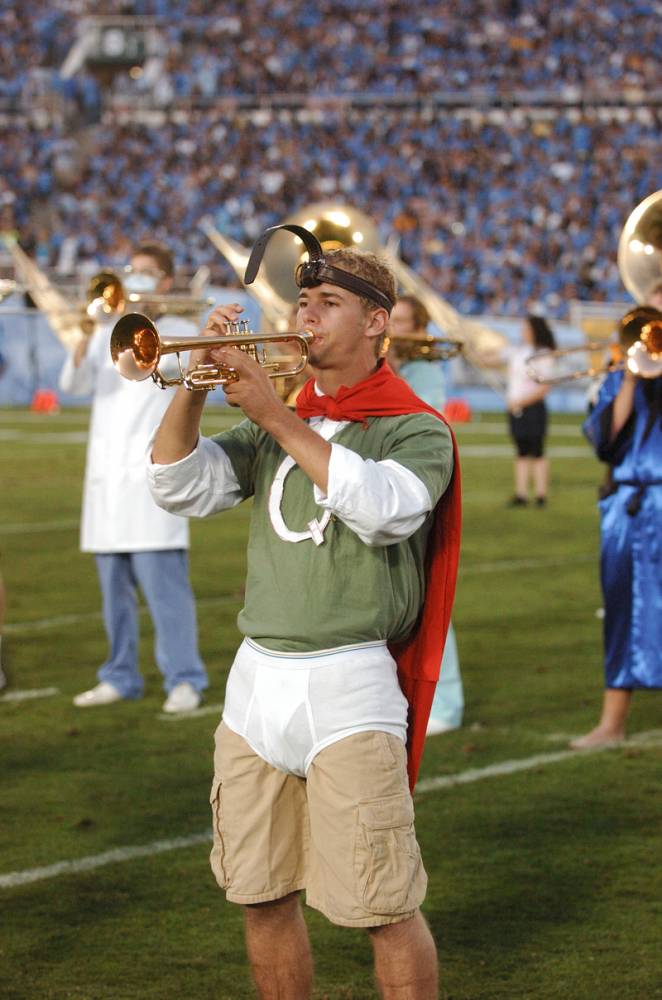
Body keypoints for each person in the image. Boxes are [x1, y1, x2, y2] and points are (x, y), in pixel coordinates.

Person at [147, 226, 461, 999]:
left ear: (377, 321)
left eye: (327, 303)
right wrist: (193, 381)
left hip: (349, 691)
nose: (305, 318)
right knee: (259, 896)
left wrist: (274, 411)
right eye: (301, 301)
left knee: (385, 908)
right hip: (257, 688)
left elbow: (384, 510)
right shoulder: (274, 421)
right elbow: (177, 486)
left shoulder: (415, 428)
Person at [59, 242, 208, 713]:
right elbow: (72, 387)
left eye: (146, 272)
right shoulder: (108, 331)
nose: (136, 279)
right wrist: (84, 335)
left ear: (164, 281)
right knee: (113, 593)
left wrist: (146, 322)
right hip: (105, 484)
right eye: (132, 271)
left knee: (165, 589)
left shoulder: (178, 330)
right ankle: (119, 674)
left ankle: (184, 677)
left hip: (149, 479)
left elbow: (167, 372)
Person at [571, 312, 662, 748]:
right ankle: (612, 724)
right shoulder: (618, 377)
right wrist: (630, 376)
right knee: (622, 607)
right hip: (628, 505)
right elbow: (606, 440)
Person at [388, 295, 464, 735]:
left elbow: (422, 420)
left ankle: (447, 702)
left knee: (429, 599)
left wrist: (390, 364)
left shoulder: (425, 370)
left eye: (403, 322)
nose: (394, 328)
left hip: (418, 491)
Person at [503, 315, 557, 506]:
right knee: (521, 451)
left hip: (532, 407)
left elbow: (544, 387)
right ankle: (521, 493)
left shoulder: (542, 353)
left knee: (537, 450)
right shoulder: (519, 352)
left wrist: (521, 402)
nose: (522, 332)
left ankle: (541, 494)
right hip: (516, 406)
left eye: (526, 328)